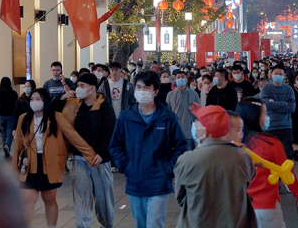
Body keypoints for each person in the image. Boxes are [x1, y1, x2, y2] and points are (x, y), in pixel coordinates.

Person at [110, 70, 187, 228]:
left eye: (146, 88)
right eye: (138, 87)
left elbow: (181, 146)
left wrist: (168, 169)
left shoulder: (167, 117)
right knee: (141, 223)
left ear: (155, 91)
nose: (141, 92)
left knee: (154, 223)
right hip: (135, 179)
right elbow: (115, 145)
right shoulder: (126, 117)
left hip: (159, 179)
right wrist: (126, 166)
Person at [13, 88, 98, 228]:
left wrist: (91, 155)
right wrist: (13, 170)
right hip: (29, 164)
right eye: (32, 99)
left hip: (50, 164)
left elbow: (73, 137)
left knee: (49, 199)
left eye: (38, 99)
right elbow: (18, 145)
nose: (34, 102)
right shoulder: (24, 118)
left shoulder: (56, 117)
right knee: (28, 199)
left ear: (45, 101)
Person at [174, 103, 259, 228]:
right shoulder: (243, 157)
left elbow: (181, 197)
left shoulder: (186, 160)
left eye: (197, 123)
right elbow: (246, 183)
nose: (194, 126)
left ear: (205, 129)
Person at [237, 100, 298, 227]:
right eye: (264, 114)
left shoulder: (233, 145)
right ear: (254, 117)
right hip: (266, 207)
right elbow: (287, 173)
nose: (267, 117)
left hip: (238, 209)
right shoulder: (270, 143)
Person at [62, 73, 117, 228]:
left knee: (103, 198)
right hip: (79, 159)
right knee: (81, 198)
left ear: (92, 88)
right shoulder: (75, 106)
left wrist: (102, 153)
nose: (78, 89)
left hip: (99, 160)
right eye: (78, 86)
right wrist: (60, 99)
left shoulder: (104, 106)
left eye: (81, 86)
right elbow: (60, 120)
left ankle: (106, 224)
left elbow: (109, 132)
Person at [258, 65, 296, 160]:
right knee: (270, 156)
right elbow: (266, 105)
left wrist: (274, 105)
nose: (278, 76)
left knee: (287, 156)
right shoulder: (265, 89)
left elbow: (291, 108)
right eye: (276, 74)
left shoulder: (289, 89)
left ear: (284, 76)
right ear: (271, 75)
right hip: (270, 127)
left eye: (280, 74)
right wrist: (284, 103)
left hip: (286, 127)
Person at [167, 70, 200, 151]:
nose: (180, 79)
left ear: (186, 80)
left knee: (189, 158)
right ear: (175, 80)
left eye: (183, 77)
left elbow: (198, 114)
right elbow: (168, 113)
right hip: (174, 133)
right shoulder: (170, 95)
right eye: (178, 77)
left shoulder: (194, 94)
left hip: (189, 132)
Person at [0, 77, 18, 158]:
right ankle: (7, 145)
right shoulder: (13, 93)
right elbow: (16, 104)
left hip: (1, 114)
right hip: (10, 114)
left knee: (3, 132)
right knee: (10, 131)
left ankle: (5, 148)